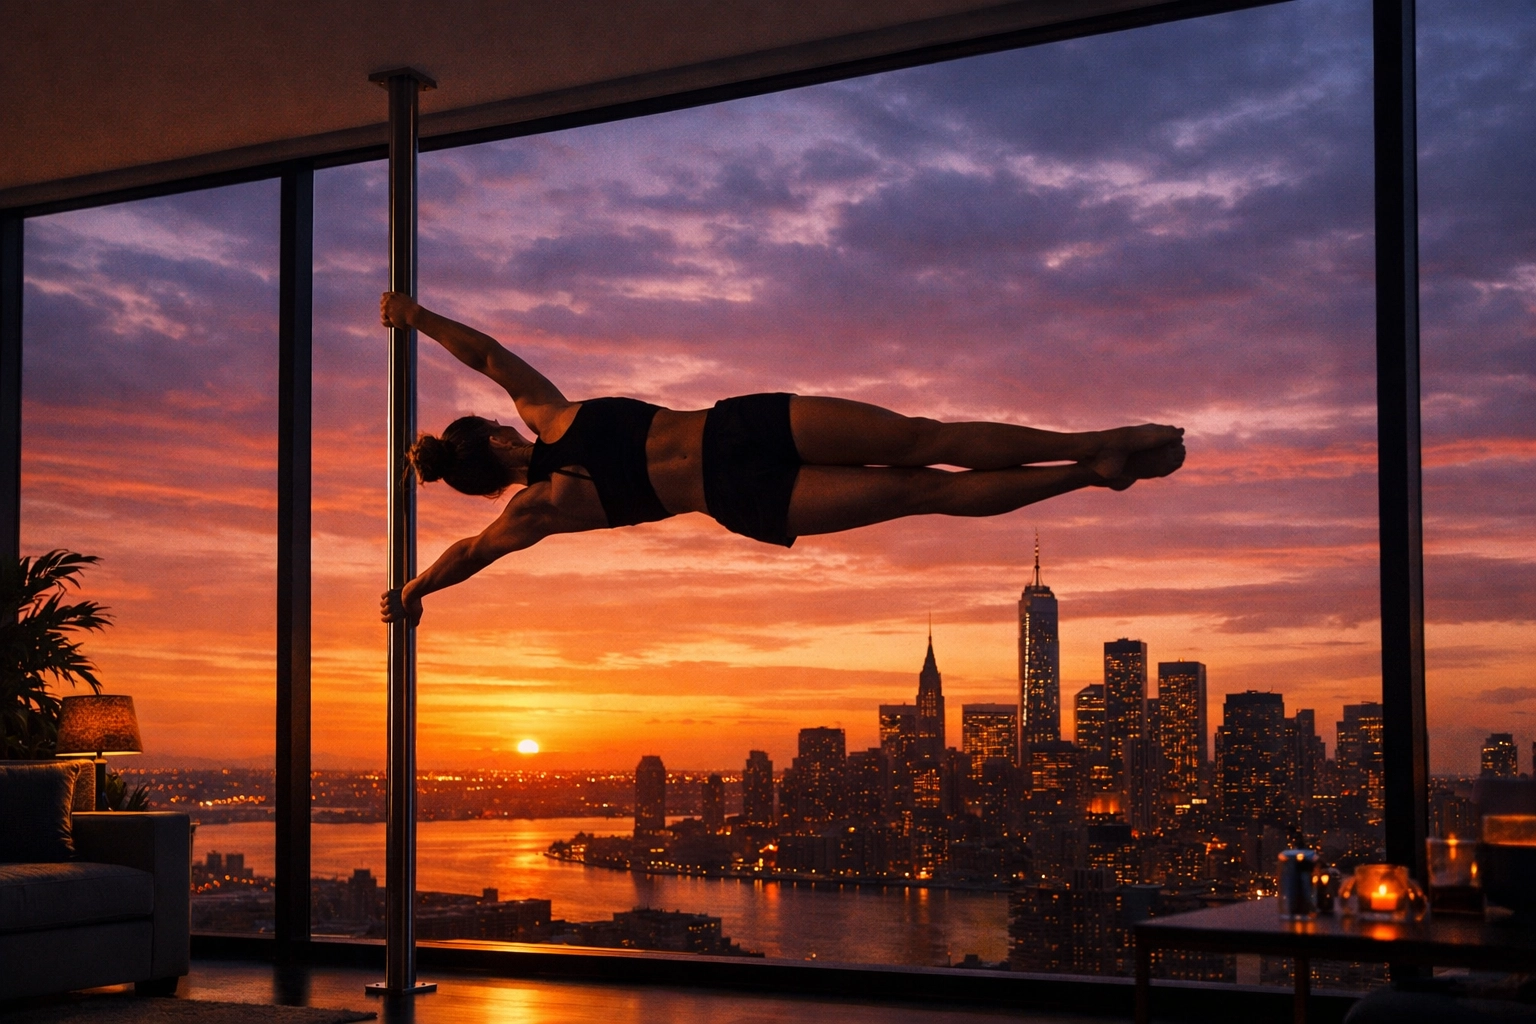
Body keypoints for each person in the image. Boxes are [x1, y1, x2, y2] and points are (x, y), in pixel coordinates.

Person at [378, 292, 1185, 627]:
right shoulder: (549, 415)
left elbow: (468, 554)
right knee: (924, 442)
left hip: (742, 491)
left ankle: (1089, 471)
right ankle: (1090, 449)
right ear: (495, 440)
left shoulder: (536, 512)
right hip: (740, 434)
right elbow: (487, 355)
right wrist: (415, 316)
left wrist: (412, 593)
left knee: (919, 491)